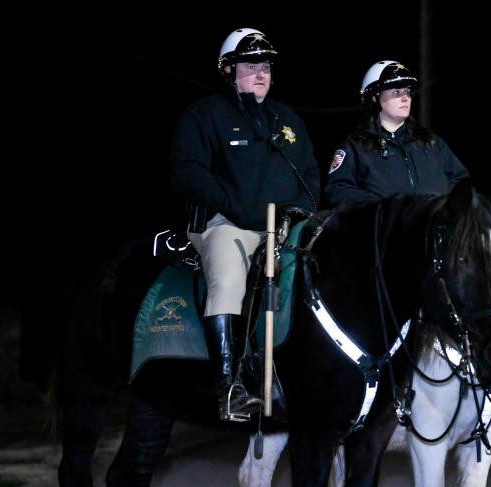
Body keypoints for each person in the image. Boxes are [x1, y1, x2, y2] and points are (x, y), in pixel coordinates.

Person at [170, 27, 320, 422]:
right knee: (231, 280)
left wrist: (299, 211)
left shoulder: (286, 119)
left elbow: (310, 174)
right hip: (225, 225)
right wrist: (235, 208)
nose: (261, 73)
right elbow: (186, 171)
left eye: (266, 66)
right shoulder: (204, 115)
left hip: (283, 229)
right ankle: (229, 387)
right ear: (228, 70)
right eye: (251, 65)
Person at [324, 61, 468, 206]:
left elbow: (461, 182)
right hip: (384, 227)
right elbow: (337, 190)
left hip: (433, 225)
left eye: (407, 92)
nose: (405, 98)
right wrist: (383, 207)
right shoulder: (356, 146)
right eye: (396, 92)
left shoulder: (431, 142)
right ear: (375, 98)